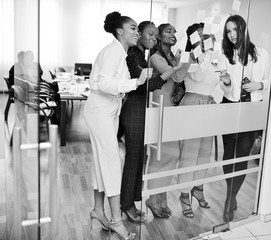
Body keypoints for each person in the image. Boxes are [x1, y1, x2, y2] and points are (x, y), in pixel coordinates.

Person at [83, 11, 150, 240]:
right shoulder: (113, 51)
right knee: (111, 161)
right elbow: (102, 83)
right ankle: (115, 220)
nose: (137, 32)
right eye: (133, 28)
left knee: (103, 161)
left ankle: (98, 211)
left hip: (107, 110)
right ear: (120, 31)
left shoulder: (119, 52)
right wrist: (136, 82)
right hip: (100, 111)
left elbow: (109, 83)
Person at [119, 21, 182, 223]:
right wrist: (173, 70)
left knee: (139, 159)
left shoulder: (141, 55)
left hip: (139, 108)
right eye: (150, 34)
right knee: (134, 159)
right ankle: (126, 205)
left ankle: (132, 203)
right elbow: (146, 86)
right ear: (139, 33)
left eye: (155, 36)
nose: (153, 38)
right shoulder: (133, 55)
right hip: (134, 109)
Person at [218, 14, 269, 222]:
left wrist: (259, 85)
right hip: (230, 107)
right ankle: (231, 194)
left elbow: (270, 78)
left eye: (234, 30)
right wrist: (228, 82)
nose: (231, 35)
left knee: (241, 156)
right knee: (228, 156)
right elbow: (224, 86)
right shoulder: (225, 54)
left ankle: (230, 198)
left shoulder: (261, 53)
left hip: (251, 110)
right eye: (228, 31)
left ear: (243, 29)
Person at [176, 22, 227, 218]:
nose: (207, 39)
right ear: (194, 40)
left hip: (209, 106)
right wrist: (203, 53)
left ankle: (198, 189)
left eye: (208, 35)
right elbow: (197, 77)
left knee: (205, 154)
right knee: (189, 155)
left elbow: (221, 84)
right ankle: (183, 194)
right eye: (201, 36)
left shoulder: (217, 59)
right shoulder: (189, 57)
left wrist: (215, 96)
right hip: (192, 104)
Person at [145, 23, 189, 218]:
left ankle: (160, 198)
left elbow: (180, 74)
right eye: (168, 31)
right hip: (160, 107)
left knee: (171, 155)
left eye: (174, 31)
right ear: (159, 35)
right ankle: (153, 199)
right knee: (161, 156)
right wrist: (188, 57)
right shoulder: (155, 57)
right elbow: (177, 75)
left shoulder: (172, 56)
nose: (173, 34)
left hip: (170, 108)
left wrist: (183, 58)